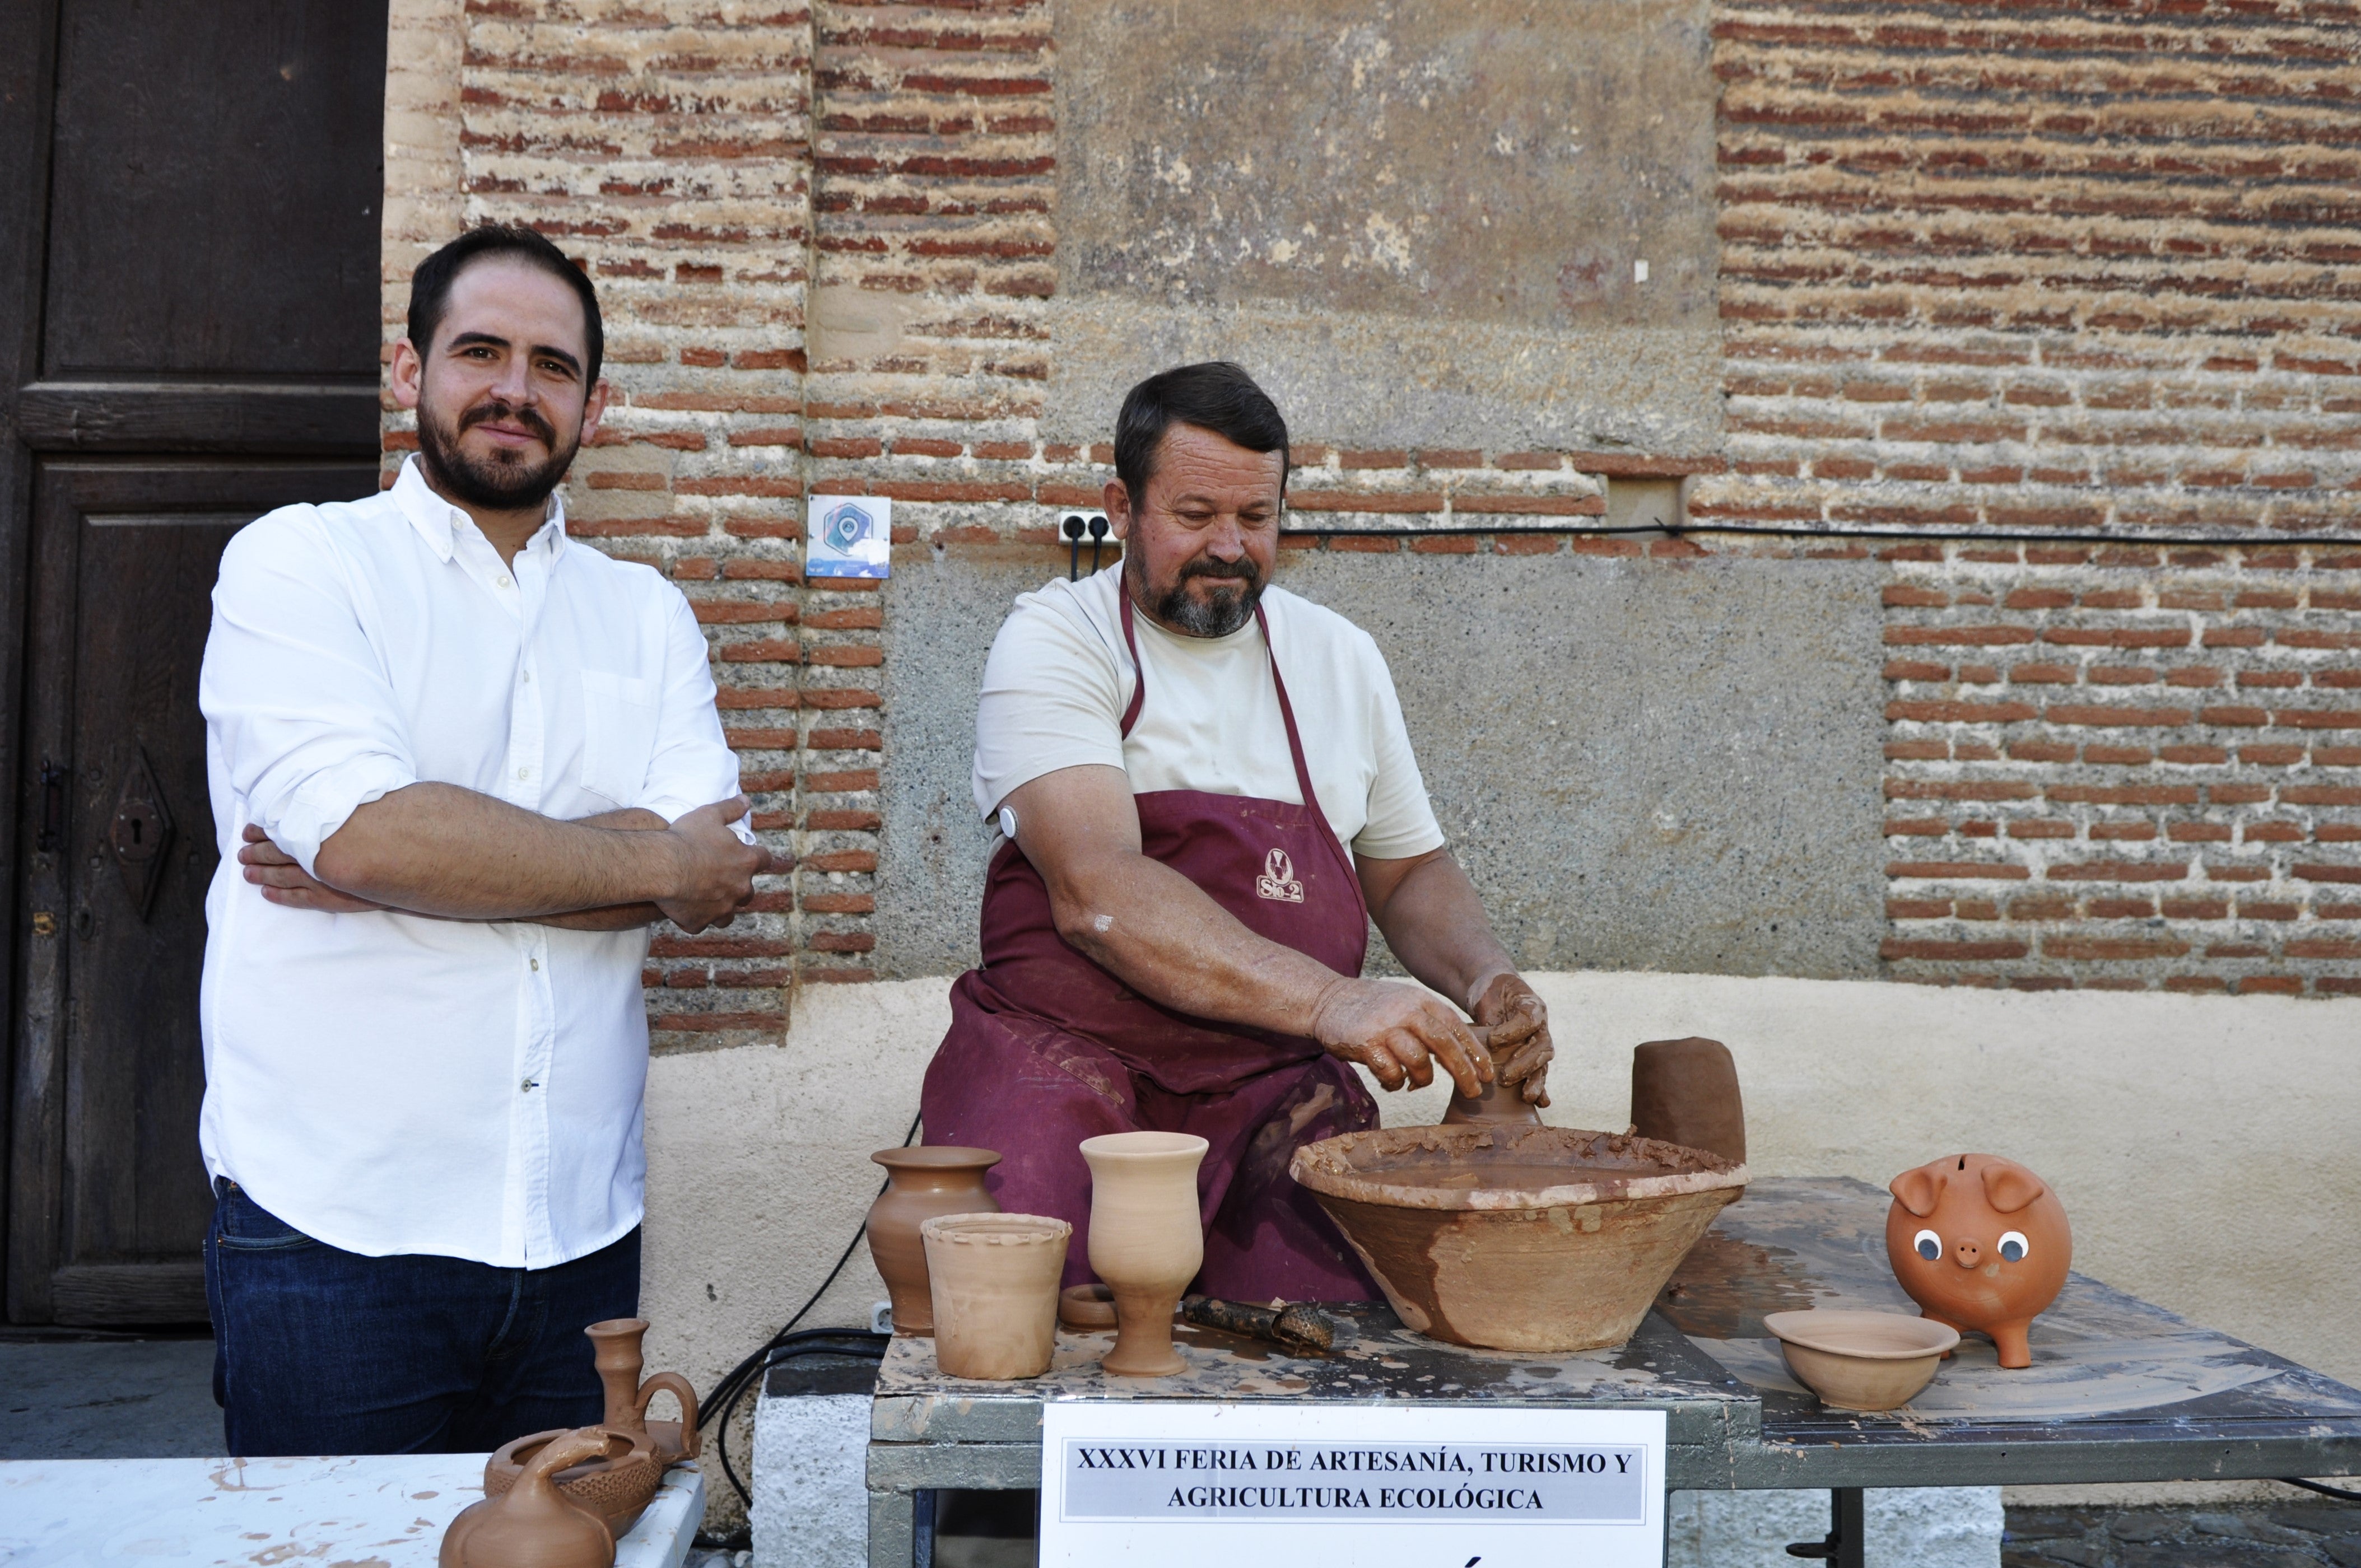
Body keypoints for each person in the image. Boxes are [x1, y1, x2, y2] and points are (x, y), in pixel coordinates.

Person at [198, 224, 770, 1455]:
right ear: (411, 373)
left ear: (594, 405)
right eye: (480, 351)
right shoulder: (301, 562)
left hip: (574, 1241)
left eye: (552, 366)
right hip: (334, 1232)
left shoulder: (646, 613)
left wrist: (415, 860)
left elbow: (711, 874)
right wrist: (630, 857)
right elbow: (371, 833)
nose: (515, 388)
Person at [921, 362, 1554, 1300]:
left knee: (1340, 1327)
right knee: (1025, 1311)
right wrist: (1334, 1003)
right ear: (1122, 507)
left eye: (1256, 519)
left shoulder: (1341, 657)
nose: (1230, 546)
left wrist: (1489, 978)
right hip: (1069, 1064)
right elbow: (1099, 891)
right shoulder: (1057, 639)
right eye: (1195, 514)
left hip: (1271, 1083)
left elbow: (1409, 870)